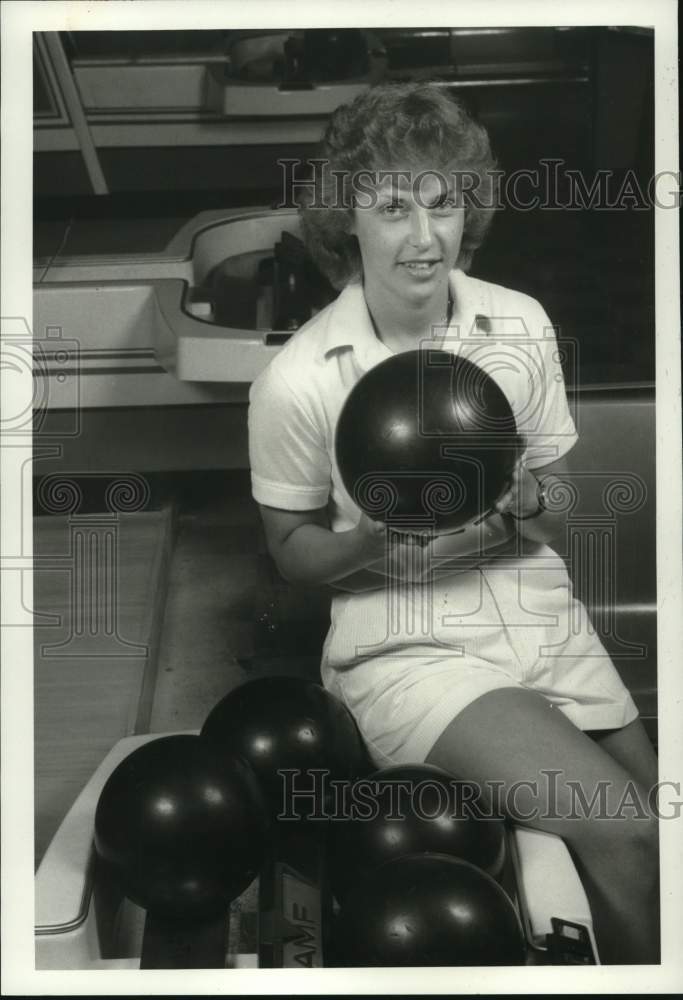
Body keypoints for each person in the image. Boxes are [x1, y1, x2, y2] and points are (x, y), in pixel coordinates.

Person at [248, 83, 659, 964]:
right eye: (392, 208)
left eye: (441, 204)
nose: (423, 236)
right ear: (346, 219)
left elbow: (557, 500)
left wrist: (531, 501)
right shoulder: (299, 376)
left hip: (540, 618)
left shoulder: (518, 321)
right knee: (625, 832)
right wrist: (369, 543)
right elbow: (289, 551)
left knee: (664, 831)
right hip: (409, 646)